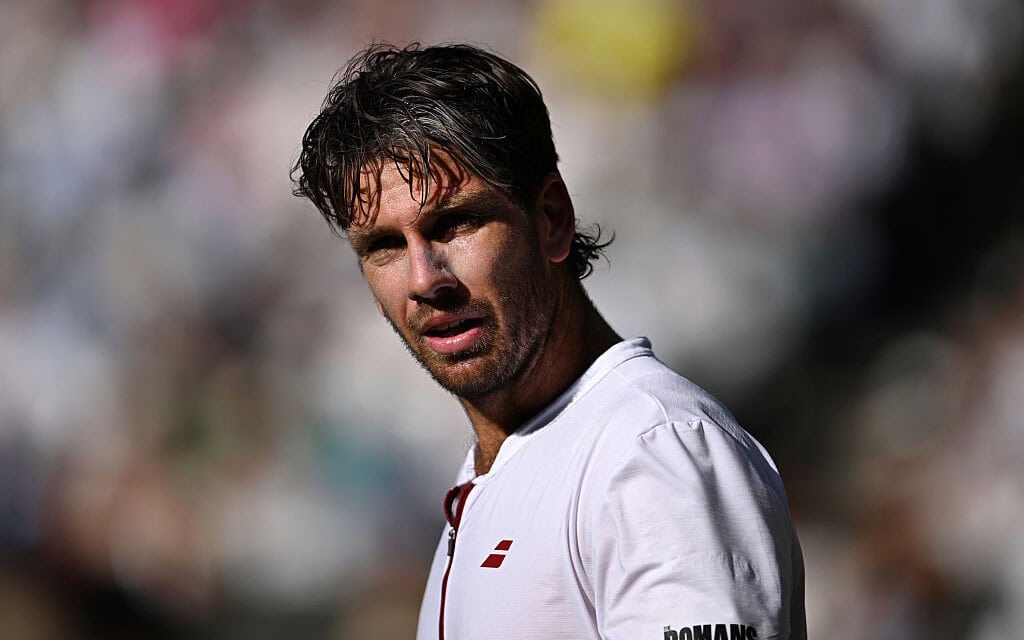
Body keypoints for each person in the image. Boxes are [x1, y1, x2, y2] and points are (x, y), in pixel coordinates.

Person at [292, 42, 807, 640]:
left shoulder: (652, 452)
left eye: (454, 223)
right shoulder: (505, 472)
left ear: (553, 217)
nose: (424, 279)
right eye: (383, 246)